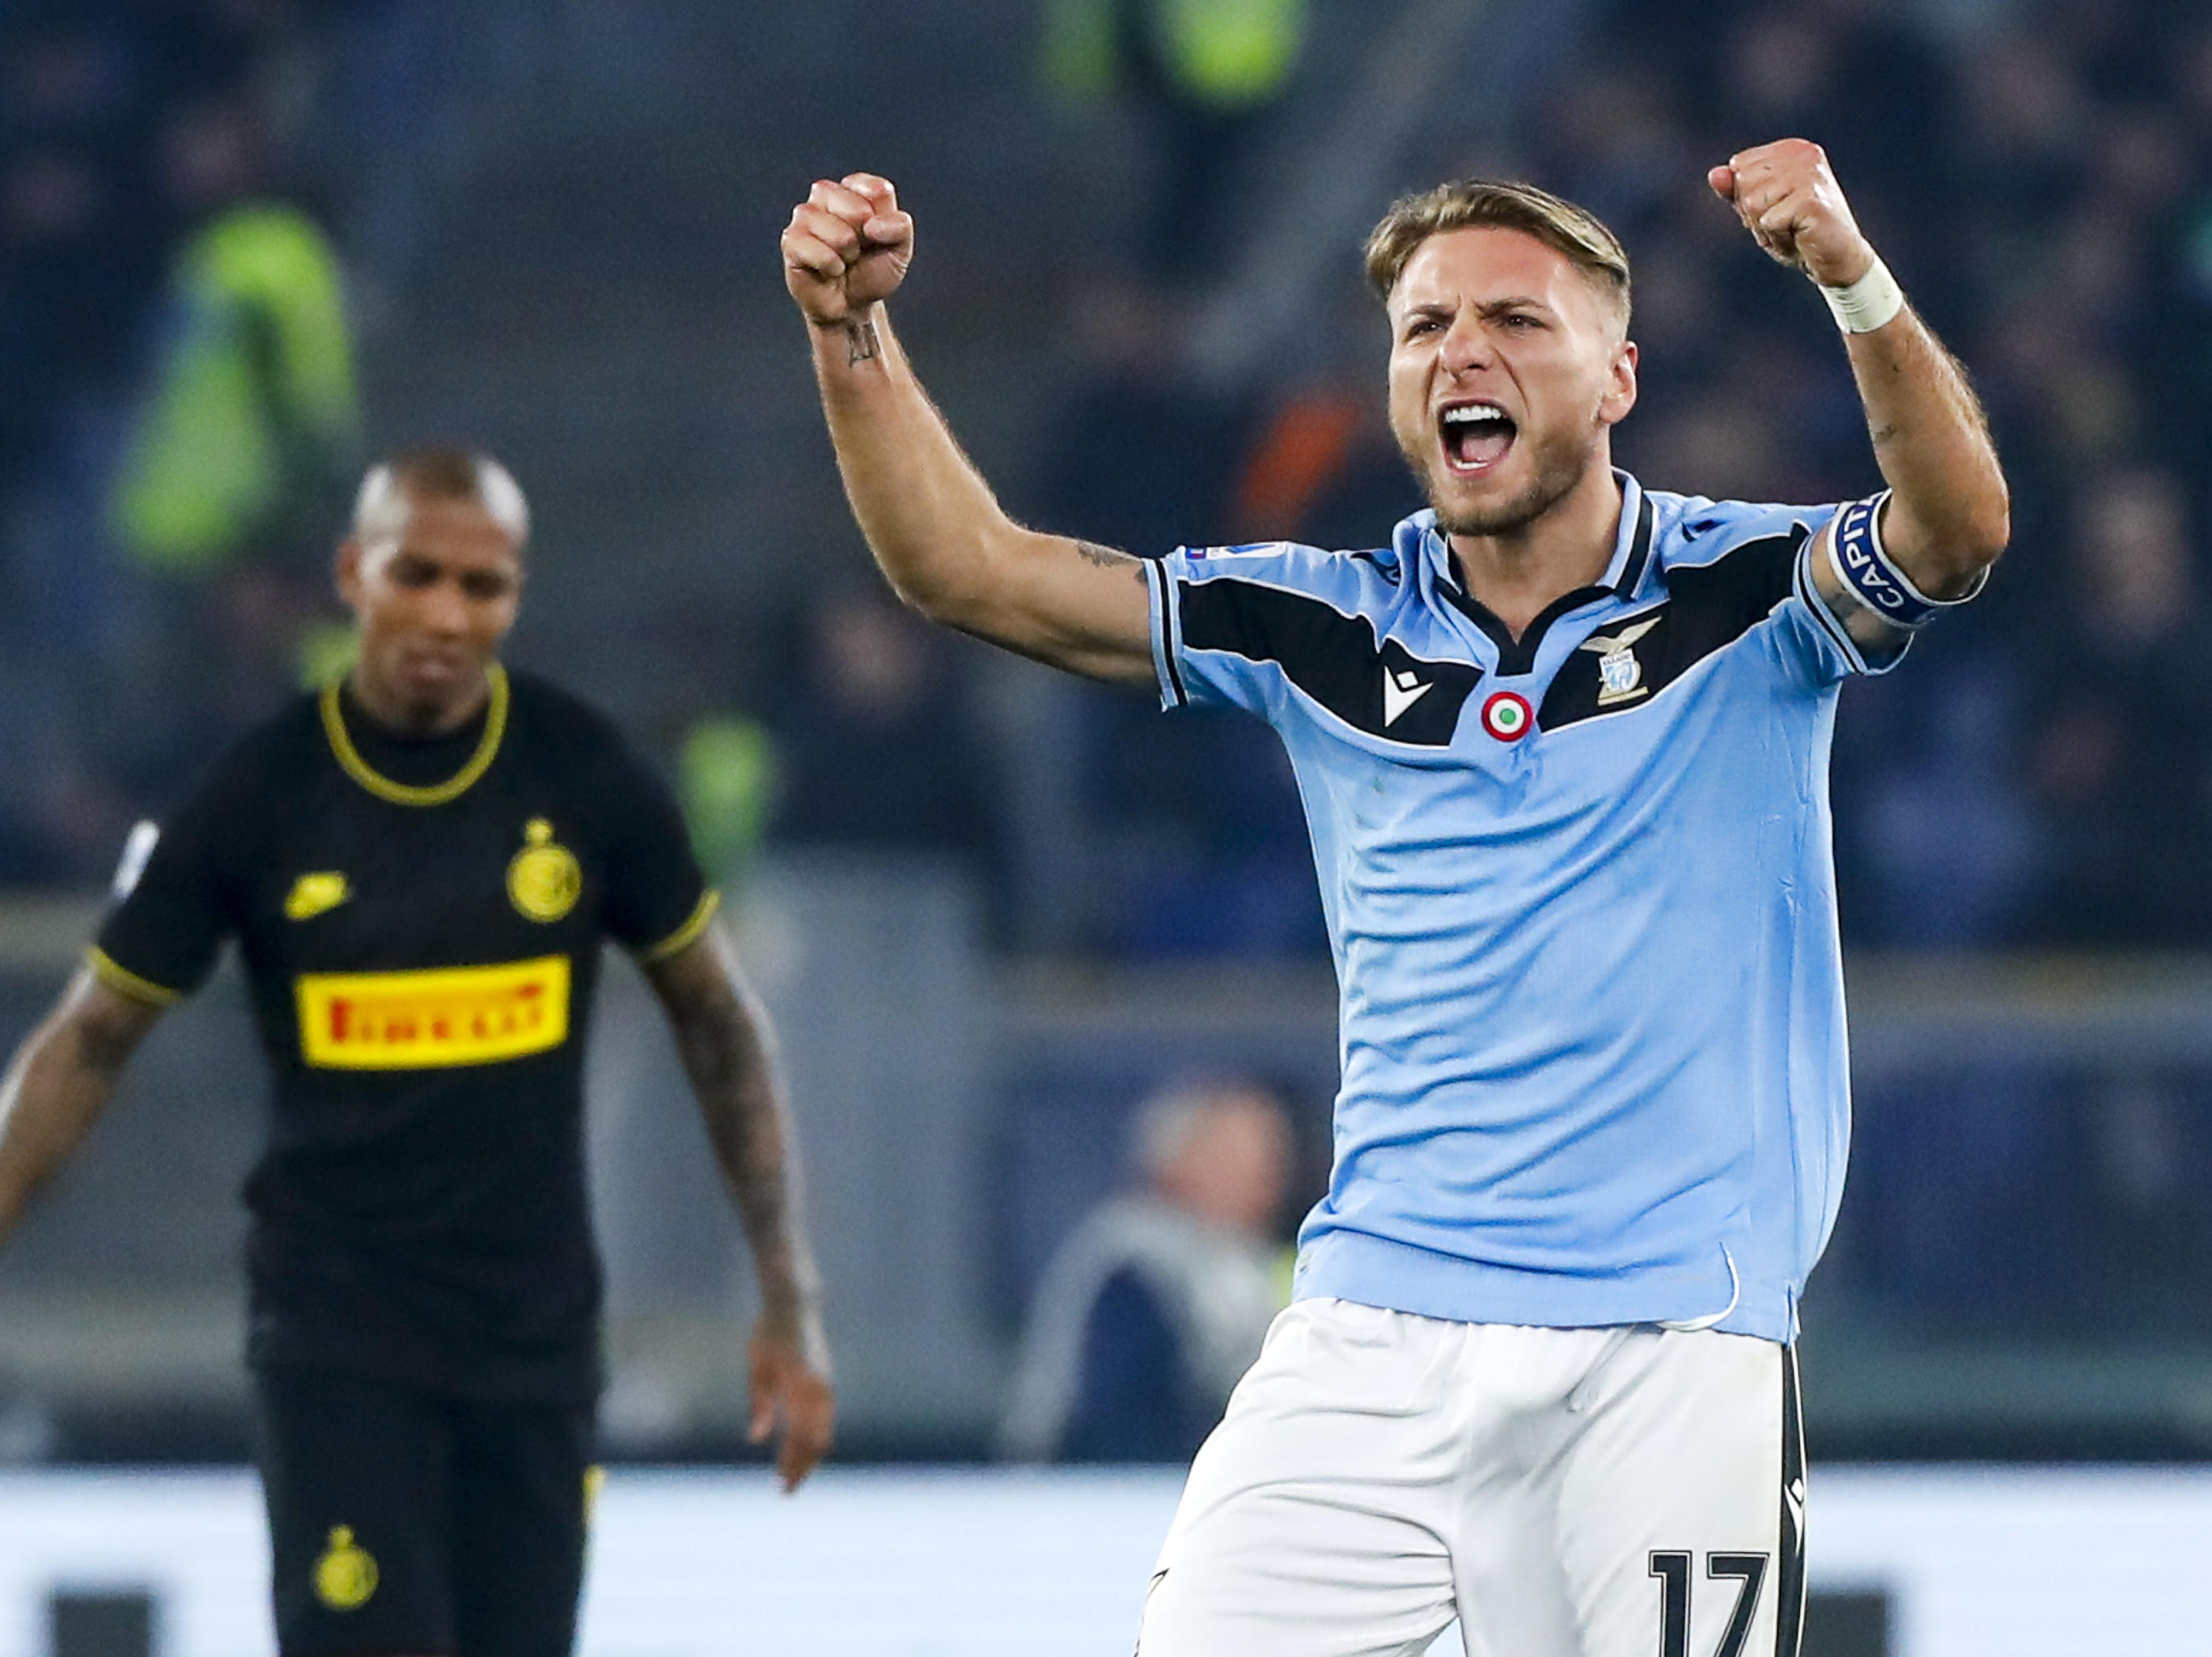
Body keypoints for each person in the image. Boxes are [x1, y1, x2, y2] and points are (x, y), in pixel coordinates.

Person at [782, 138, 2005, 1656]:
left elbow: (1954, 536)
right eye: (1424, 327)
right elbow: (973, 571)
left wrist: (1849, 275)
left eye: (1512, 321)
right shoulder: (1316, 620)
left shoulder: (1744, 589)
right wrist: (850, 335)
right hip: (1372, 1337)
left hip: (1671, 1344)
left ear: (1616, 379)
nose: (1459, 354)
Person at [0, 447, 837, 1657]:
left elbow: (719, 1026)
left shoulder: (583, 779)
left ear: (512, 600)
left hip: (534, 1352)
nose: (444, 614)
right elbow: (89, 1038)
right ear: (352, 576)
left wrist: (787, 1298)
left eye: (482, 588)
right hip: (341, 1343)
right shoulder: (261, 797)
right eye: (414, 574)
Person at [998, 1079, 1290, 1464]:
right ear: (1179, 1161)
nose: (1263, 1170)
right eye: (1234, 1152)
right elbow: (1115, 1413)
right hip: (1099, 1490)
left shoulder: (1263, 1260)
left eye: (1269, 1153)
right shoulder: (1132, 1260)